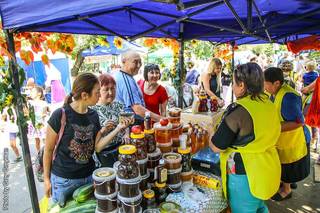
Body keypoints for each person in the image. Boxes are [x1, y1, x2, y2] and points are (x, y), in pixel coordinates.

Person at [43, 73, 132, 203]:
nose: (100, 95)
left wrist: (118, 128)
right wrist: (46, 179)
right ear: (85, 95)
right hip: (64, 181)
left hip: (89, 177)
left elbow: (97, 147)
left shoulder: (93, 115)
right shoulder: (60, 115)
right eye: (97, 93)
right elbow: (48, 150)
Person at [209, 63, 281, 213]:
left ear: (241, 85)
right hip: (268, 168)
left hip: (245, 176)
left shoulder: (239, 111)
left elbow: (216, 147)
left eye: (233, 83)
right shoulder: (268, 102)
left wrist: (210, 131)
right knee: (261, 207)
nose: (233, 87)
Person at [264, 67, 310, 201]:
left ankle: (286, 190)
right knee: (285, 165)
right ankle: (287, 183)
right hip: (284, 139)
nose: (263, 86)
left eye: (265, 83)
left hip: (294, 139)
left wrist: (275, 128)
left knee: (289, 165)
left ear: (276, 83)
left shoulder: (288, 98)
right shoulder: (274, 92)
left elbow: (300, 122)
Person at [91, 74, 129, 167]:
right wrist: (104, 130)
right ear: (98, 91)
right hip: (104, 155)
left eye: (112, 88)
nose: (111, 92)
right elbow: (94, 141)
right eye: (106, 89)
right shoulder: (92, 110)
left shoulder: (119, 105)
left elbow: (126, 124)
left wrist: (126, 133)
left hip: (121, 150)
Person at [113, 51, 162, 124]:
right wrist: (162, 119)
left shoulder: (126, 76)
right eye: (135, 62)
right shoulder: (126, 80)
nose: (139, 65)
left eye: (140, 62)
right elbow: (138, 109)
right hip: (130, 125)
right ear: (124, 62)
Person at [28, 86, 50, 153]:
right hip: (34, 124)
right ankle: (39, 154)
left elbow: (44, 113)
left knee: (44, 140)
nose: (31, 93)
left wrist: (44, 114)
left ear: (39, 94)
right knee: (37, 140)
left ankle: (46, 153)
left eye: (33, 91)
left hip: (41, 124)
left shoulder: (43, 103)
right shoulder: (30, 102)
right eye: (31, 92)